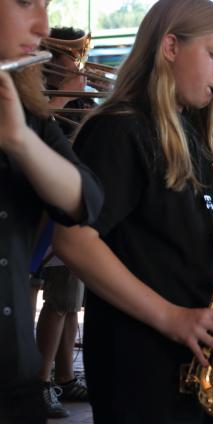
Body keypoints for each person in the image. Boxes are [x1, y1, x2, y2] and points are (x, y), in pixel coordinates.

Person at [53, 2, 213, 422]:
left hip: (197, 353)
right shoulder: (119, 128)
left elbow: (176, 231)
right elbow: (73, 239)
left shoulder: (194, 132)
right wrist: (173, 319)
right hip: (142, 359)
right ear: (169, 47)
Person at [0, 1, 104, 423]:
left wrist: (21, 141)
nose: (42, 26)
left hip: (13, 375)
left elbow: (86, 201)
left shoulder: (25, 112)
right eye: (26, 3)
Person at [35, 25, 96, 419]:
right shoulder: (40, 106)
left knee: (69, 305)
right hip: (50, 219)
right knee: (57, 306)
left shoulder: (75, 104)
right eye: (68, 62)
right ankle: (42, 383)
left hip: (71, 216)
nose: (78, 67)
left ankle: (62, 376)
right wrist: (65, 92)